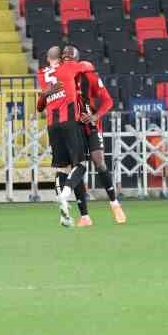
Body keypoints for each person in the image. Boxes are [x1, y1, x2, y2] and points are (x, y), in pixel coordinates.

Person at [61, 45, 126, 223]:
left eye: (70, 59)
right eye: (64, 59)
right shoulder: (59, 80)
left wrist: (95, 116)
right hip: (72, 128)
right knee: (77, 167)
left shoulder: (88, 75)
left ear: (76, 61)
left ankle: (115, 203)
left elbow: (108, 100)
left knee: (99, 161)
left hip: (91, 124)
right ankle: (85, 216)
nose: (67, 62)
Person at [36, 47, 92, 227]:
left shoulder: (42, 74)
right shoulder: (68, 67)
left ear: (47, 58)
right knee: (81, 165)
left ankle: (64, 213)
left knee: (62, 169)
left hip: (52, 126)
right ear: (61, 58)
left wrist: (44, 94)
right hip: (69, 122)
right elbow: (87, 66)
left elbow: (39, 107)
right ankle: (66, 193)